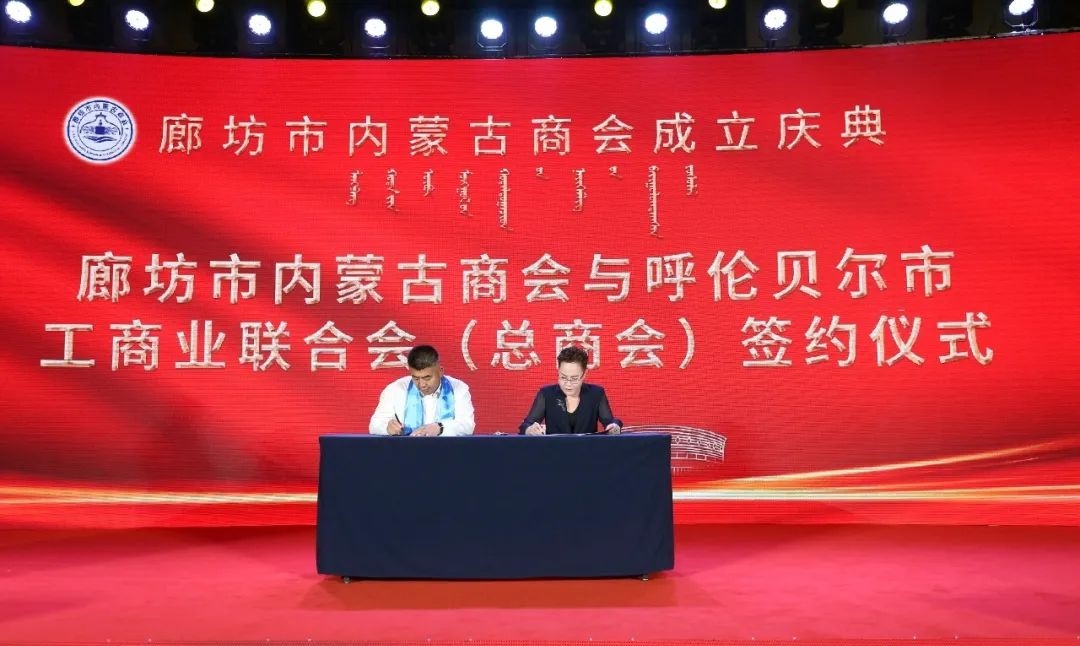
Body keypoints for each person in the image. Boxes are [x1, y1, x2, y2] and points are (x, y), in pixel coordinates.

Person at [369, 345, 476, 437]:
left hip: (448, 451)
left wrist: (440, 428)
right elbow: (374, 425)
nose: (422, 384)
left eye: (427, 378)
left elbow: (467, 425)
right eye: (416, 378)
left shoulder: (459, 389)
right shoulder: (395, 389)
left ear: (440, 371)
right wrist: (387, 427)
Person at [518, 346, 622, 435]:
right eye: (563, 377)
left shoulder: (596, 394)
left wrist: (613, 426)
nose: (568, 384)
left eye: (574, 379)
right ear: (558, 371)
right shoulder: (546, 394)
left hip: (587, 450)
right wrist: (529, 430)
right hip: (553, 449)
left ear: (584, 374)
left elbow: (609, 421)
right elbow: (526, 424)